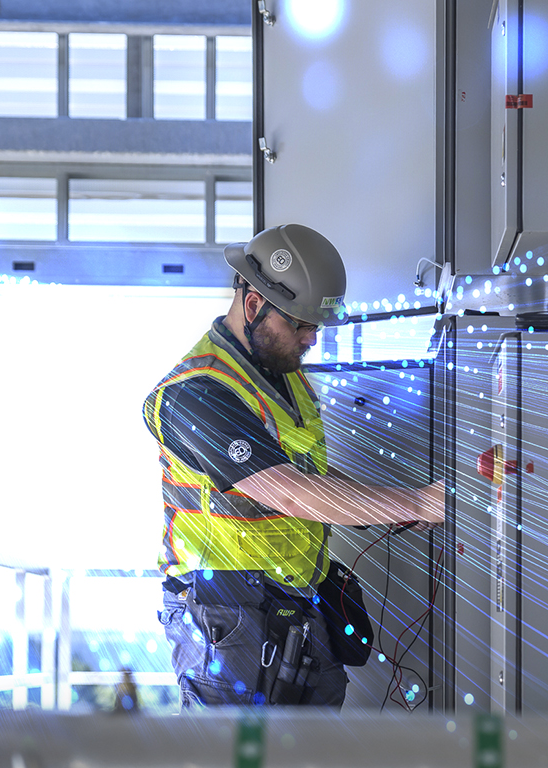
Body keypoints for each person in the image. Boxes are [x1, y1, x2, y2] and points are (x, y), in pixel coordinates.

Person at [142, 224, 444, 708]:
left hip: (297, 601)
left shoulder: (285, 379)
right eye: (300, 326)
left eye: (316, 327)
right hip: (227, 612)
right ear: (253, 304)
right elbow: (287, 491)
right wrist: (418, 503)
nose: (311, 340)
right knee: (233, 747)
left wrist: (391, 507)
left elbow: (311, 479)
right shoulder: (196, 392)